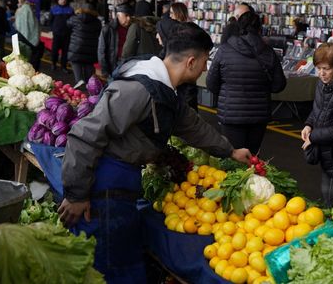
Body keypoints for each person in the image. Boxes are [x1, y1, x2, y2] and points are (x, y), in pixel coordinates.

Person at [58, 24, 251, 282]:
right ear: (192, 61)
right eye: (205, 62)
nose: (205, 69)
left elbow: (192, 126)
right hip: (103, 188)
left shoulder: (164, 89)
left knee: (123, 259)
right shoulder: (138, 89)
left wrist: (231, 151)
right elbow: (85, 134)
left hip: (122, 184)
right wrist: (76, 193)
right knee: (107, 267)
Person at [206, 10, 287, 154]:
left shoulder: (224, 50)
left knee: (232, 157)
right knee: (252, 158)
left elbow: (211, 84)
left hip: (230, 114)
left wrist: (229, 93)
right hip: (259, 116)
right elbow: (278, 85)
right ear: (260, 28)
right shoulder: (268, 52)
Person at [301, 43, 333, 207]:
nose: (321, 73)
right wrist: (308, 124)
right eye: (318, 68)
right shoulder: (322, 85)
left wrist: (313, 137)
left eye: (326, 69)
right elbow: (317, 110)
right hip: (327, 154)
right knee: (328, 196)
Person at [67, 0, 103, 84]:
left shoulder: (74, 19)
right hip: (90, 48)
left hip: (76, 47)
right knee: (89, 65)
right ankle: (90, 84)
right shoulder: (97, 22)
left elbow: (67, 24)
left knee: (76, 63)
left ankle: (79, 81)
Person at [97, 2, 137, 78]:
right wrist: (105, 70)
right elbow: (101, 51)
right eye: (126, 15)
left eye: (130, 16)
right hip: (114, 66)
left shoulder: (133, 28)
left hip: (130, 64)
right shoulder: (108, 29)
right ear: (118, 15)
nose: (128, 18)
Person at [15, 0, 43, 70]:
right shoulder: (21, 8)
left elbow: (32, 24)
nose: (20, 0)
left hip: (26, 37)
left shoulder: (27, 8)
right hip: (21, 35)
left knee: (26, 58)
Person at [48, 0, 74, 72]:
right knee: (54, 50)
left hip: (67, 34)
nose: (63, 0)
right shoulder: (54, 9)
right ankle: (53, 64)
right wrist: (53, 30)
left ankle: (64, 66)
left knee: (65, 51)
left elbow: (73, 21)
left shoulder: (70, 9)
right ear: (58, 0)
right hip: (57, 34)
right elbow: (50, 21)